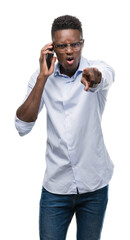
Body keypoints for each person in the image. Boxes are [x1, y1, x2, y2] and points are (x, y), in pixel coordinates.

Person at [15, 15, 115, 240]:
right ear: (52, 48)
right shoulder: (41, 79)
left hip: (94, 186)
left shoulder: (96, 69)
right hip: (56, 189)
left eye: (75, 44)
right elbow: (22, 125)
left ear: (82, 43)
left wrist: (94, 77)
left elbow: (105, 77)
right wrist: (42, 77)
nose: (70, 50)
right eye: (62, 46)